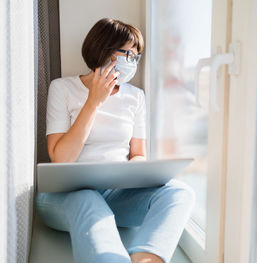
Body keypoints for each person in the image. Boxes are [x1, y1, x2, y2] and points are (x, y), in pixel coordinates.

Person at [35, 18, 196, 263]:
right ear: (103, 48)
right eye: (126, 54)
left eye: (136, 56)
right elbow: (60, 158)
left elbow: (138, 153)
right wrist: (93, 102)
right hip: (65, 197)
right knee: (88, 200)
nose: (132, 62)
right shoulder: (62, 88)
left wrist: (136, 169)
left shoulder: (135, 96)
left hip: (117, 195)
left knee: (180, 193)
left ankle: (145, 259)